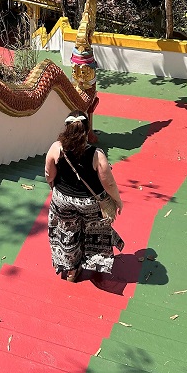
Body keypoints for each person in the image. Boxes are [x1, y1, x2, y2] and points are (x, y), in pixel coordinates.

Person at [44, 112, 124, 282]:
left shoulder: (56, 148)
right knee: (93, 232)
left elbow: (48, 175)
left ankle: (71, 271)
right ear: (87, 130)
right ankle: (94, 264)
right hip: (90, 203)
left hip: (63, 200)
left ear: (67, 129)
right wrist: (117, 200)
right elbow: (108, 183)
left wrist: (55, 188)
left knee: (67, 232)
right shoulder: (96, 154)